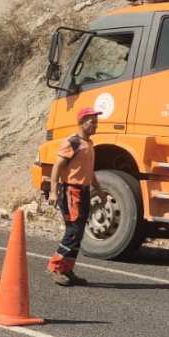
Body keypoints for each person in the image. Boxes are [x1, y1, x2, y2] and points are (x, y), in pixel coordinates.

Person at [46, 107, 104, 286]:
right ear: (82, 122)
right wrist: (54, 191)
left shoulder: (90, 144)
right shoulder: (72, 142)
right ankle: (55, 266)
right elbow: (57, 167)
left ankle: (67, 269)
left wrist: (98, 189)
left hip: (84, 191)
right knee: (73, 231)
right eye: (92, 122)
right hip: (72, 191)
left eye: (96, 122)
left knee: (78, 232)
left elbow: (89, 170)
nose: (95, 125)